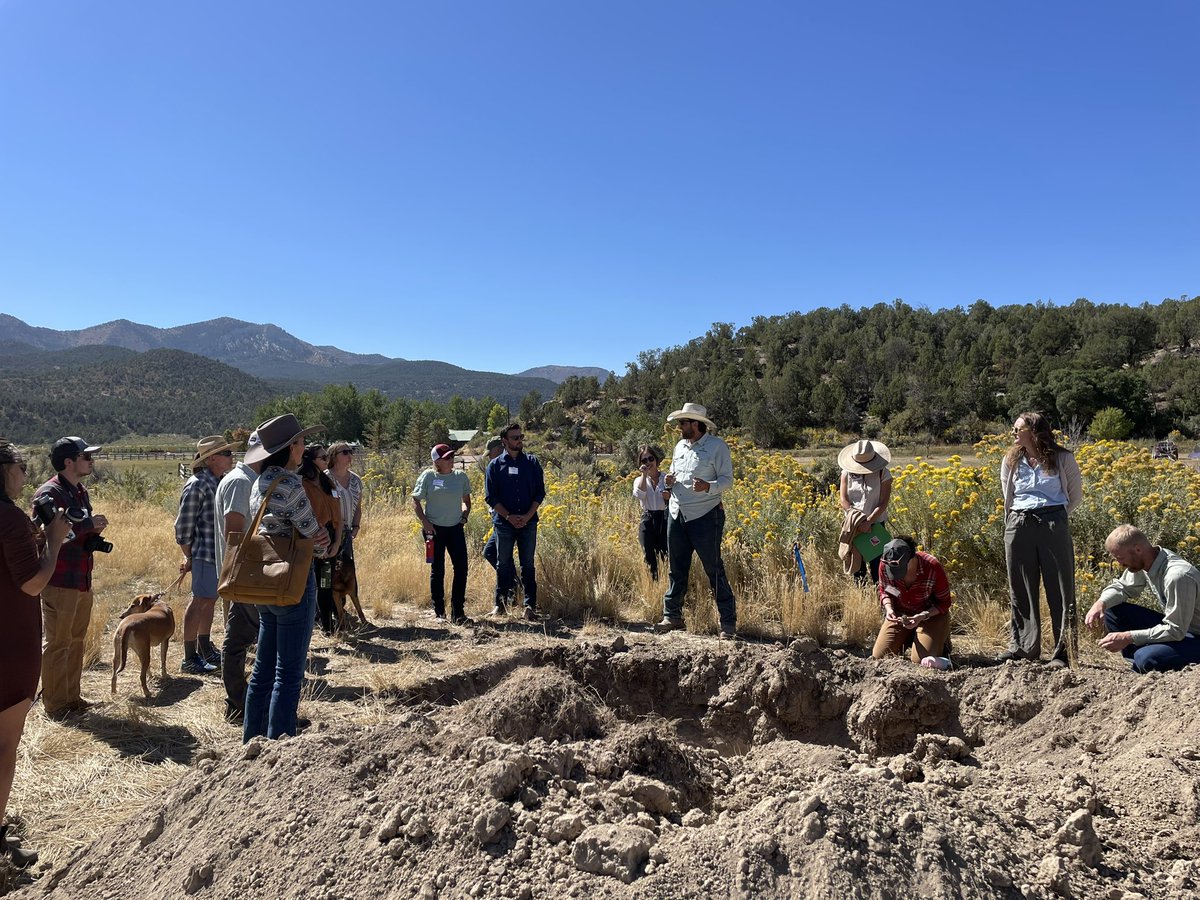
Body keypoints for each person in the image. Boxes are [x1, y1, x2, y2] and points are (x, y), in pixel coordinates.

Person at [1, 441, 71, 868]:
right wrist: (55, 542)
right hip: (9, 643)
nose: (26, 474)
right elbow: (31, 583)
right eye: (21, 466)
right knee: (5, 744)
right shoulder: (8, 518)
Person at [242, 415, 330, 742]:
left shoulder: (259, 483)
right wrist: (325, 541)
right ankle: (278, 746)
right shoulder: (291, 485)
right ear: (291, 447)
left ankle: (252, 742)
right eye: (301, 442)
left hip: (266, 580)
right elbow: (314, 537)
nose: (304, 448)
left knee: (262, 671)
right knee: (289, 675)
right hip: (293, 579)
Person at [32, 436, 109, 720]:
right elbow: (46, 538)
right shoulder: (49, 494)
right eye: (86, 457)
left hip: (81, 578)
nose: (91, 461)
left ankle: (72, 698)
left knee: (76, 640)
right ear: (69, 462)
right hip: (59, 581)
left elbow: (75, 534)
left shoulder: (79, 491)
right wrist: (88, 524)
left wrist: (93, 532)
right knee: (58, 643)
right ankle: (54, 705)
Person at [999, 412, 1083, 668]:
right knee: (1020, 587)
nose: (1014, 433)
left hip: (1053, 521)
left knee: (1061, 588)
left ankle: (1063, 653)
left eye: (1018, 429)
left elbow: (1074, 496)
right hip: (1019, 522)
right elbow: (1007, 494)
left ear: (1034, 431)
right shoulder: (1011, 459)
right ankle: (1023, 648)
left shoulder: (1063, 458)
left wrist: (1054, 517)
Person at [653, 403, 737, 639]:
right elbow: (673, 473)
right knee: (676, 568)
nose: (679, 427)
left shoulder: (717, 447)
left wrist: (708, 486)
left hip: (705, 515)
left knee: (713, 568)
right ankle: (672, 615)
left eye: (683, 423)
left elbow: (727, 480)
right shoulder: (680, 446)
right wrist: (668, 481)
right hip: (676, 513)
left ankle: (728, 622)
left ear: (696, 424)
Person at [1084, 525, 1200, 673]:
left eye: (1120, 558)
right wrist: (1100, 603)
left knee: (1146, 658)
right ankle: (1143, 660)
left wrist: (1129, 637)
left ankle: (1146, 660)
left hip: (1192, 634)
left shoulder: (1177, 576)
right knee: (1111, 609)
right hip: (1181, 629)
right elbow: (1123, 587)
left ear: (1138, 549)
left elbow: (1175, 630)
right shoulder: (1147, 560)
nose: (1119, 564)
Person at [175, 435, 236, 675]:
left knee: (209, 600)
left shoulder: (218, 481)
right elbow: (183, 525)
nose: (231, 457)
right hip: (204, 553)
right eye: (226, 453)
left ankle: (204, 648)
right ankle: (189, 657)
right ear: (211, 459)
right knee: (199, 600)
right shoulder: (197, 484)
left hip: (215, 554)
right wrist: (189, 556)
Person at [215, 431, 261, 724]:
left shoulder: (244, 480)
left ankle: (239, 703)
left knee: (239, 640)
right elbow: (234, 532)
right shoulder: (241, 482)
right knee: (239, 642)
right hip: (245, 576)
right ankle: (240, 702)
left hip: (245, 575)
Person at [485, 422, 545, 620]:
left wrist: (527, 516)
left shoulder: (532, 463)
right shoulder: (495, 466)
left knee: (527, 564)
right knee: (503, 564)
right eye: (515, 438)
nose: (519, 441)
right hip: (504, 524)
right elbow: (491, 497)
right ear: (505, 441)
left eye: (521, 437)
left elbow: (540, 492)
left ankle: (529, 606)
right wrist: (509, 517)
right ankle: (500, 605)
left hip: (529, 522)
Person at [413, 443, 473, 624]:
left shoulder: (460, 477)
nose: (451, 459)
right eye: (447, 457)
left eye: (452, 456)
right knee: (437, 570)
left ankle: (458, 612)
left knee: (461, 568)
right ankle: (439, 611)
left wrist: (464, 517)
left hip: (455, 528)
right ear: (437, 461)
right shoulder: (428, 476)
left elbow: (466, 501)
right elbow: (415, 500)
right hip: (434, 530)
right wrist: (425, 522)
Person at [872, 537, 953, 664]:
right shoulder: (886, 564)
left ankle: (940, 639)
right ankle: (909, 636)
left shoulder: (932, 566)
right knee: (880, 656)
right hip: (901, 614)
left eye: (900, 569)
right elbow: (885, 591)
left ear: (911, 558)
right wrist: (889, 609)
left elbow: (944, 603)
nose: (895, 573)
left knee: (921, 660)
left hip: (930, 615)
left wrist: (923, 616)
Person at [300, 444, 342, 635]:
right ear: (311, 461)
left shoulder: (328, 482)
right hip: (310, 539)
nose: (327, 460)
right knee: (307, 586)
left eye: (327, 457)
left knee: (325, 583)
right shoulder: (301, 484)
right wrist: (319, 544)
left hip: (330, 538)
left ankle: (328, 627)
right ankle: (306, 627)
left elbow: (338, 516)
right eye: (323, 458)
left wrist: (337, 542)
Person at [837, 440, 893, 584]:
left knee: (878, 565)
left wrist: (869, 521)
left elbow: (883, 502)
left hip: (875, 525)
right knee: (857, 566)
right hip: (854, 525)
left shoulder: (883, 473)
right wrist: (855, 518)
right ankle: (861, 594)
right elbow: (843, 499)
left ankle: (880, 594)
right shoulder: (846, 473)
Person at [632, 445, 668, 580]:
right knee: (648, 554)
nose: (648, 462)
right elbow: (640, 495)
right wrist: (644, 475)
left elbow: (675, 498)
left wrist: (668, 497)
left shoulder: (666, 478)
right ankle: (653, 584)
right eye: (644, 460)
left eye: (650, 459)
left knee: (665, 554)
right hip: (647, 518)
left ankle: (665, 583)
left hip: (664, 518)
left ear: (656, 459)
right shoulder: (639, 480)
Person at [325, 441, 362, 564]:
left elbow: (358, 507)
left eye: (351, 451)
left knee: (345, 571)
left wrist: (356, 527)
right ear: (333, 456)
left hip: (347, 533)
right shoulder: (324, 478)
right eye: (345, 452)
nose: (349, 455)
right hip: (329, 532)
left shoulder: (356, 480)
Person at [480, 437, 504, 571]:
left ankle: (511, 581)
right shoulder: (494, 467)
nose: (489, 457)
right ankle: (513, 581)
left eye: (490, 453)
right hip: (499, 517)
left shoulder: (501, 468)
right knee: (501, 554)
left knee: (490, 552)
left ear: (499, 449)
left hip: (503, 518)